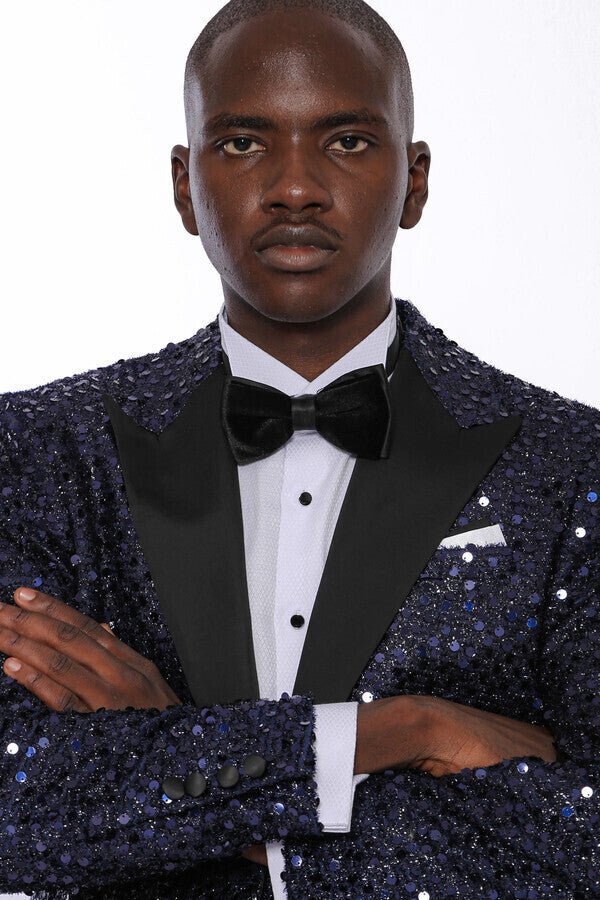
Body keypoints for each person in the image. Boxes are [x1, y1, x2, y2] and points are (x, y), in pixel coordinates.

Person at [0, 0, 597, 897]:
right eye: (244, 142)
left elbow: (585, 838)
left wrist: (180, 766)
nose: (294, 187)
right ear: (183, 186)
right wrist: (408, 731)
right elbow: (18, 808)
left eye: (346, 141)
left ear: (415, 182)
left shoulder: (574, 464)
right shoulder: (33, 451)